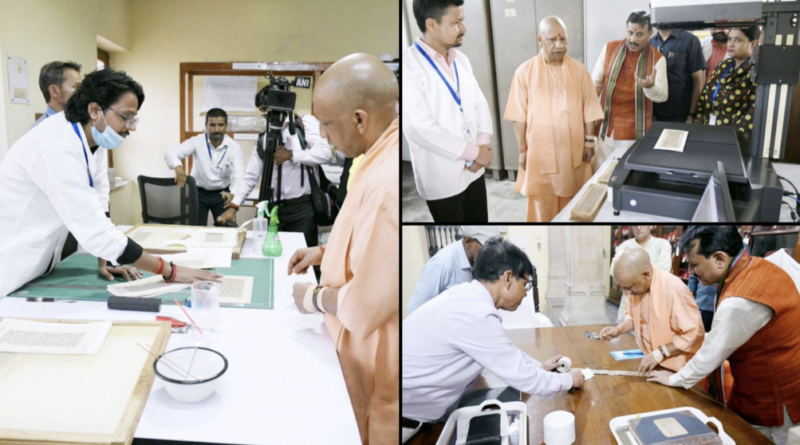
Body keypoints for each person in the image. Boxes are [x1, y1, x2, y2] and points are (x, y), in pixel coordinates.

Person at [0, 68, 221, 297]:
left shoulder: (91, 138)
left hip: (38, 264)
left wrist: (105, 259)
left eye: (134, 118)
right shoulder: (56, 146)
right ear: (94, 110)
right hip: (10, 266)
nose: (132, 127)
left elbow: (100, 200)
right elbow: (92, 229)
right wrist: (169, 270)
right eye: (127, 117)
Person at [285, 53, 399, 444]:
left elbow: (366, 306)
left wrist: (313, 296)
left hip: (373, 350)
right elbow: (365, 237)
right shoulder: (372, 155)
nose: (326, 137)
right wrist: (325, 252)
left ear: (360, 119)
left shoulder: (386, 182)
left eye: (328, 126)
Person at [402, 238, 585, 444]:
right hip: (403, 420)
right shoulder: (476, 313)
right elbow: (525, 378)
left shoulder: (467, 297)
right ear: (508, 278)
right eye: (525, 284)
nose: (526, 293)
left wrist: (540, 367)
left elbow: (506, 352)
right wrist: (570, 379)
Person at [648, 226, 800, 445]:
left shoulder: (739, 300)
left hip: (775, 394)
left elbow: (711, 353)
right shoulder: (757, 266)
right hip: (763, 381)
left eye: (695, 264)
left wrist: (674, 379)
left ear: (719, 258)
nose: (691, 271)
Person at [504, 16, 604, 222]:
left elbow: (590, 110)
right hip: (540, 152)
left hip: (573, 151)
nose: (560, 45)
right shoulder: (524, 72)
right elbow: (518, 116)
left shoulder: (580, 71)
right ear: (540, 39)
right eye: (552, 40)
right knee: (543, 200)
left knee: (574, 199)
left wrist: (589, 142)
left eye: (564, 40)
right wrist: (522, 149)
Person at [403, 0, 494, 223]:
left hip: (475, 170)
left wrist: (482, 144)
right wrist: (474, 152)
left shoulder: (461, 60)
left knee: (479, 228)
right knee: (456, 237)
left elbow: (479, 103)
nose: (464, 28)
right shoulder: (409, 66)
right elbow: (418, 128)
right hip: (442, 176)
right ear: (432, 25)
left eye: (462, 21)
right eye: (456, 22)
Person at [217, 86, 332, 252]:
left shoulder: (304, 124)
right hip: (272, 210)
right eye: (261, 110)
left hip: (302, 209)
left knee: (304, 257)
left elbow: (325, 153)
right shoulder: (264, 138)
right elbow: (251, 176)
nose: (265, 114)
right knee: (269, 254)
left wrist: (292, 154)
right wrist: (234, 206)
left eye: (265, 108)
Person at [30, 60, 117, 276]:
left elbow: (99, 190)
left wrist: (103, 258)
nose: (83, 94)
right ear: (54, 91)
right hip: (40, 240)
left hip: (69, 232)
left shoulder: (84, 132)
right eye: (77, 88)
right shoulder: (43, 137)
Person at [601, 248, 705, 375]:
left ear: (646, 274)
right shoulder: (636, 286)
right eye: (623, 288)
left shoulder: (673, 289)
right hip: (652, 362)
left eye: (629, 287)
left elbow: (694, 334)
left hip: (677, 370)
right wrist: (618, 329)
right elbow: (634, 319)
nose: (627, 293)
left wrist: (660, 354)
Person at [592, 10, 667, 167]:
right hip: (605, 128)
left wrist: (650, 86)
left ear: (650, 34)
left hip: (633, 132)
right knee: (598, 173)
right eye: (630, 33)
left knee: (623, 175)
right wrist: (589, 121)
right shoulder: (609, 48)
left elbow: (662, 96)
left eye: (639, 34)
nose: (633, 39)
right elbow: (595, 85)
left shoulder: (658, 59)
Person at [164, 108, 244, 226]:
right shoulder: (197, 141)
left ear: (226, 126)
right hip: (198, 194)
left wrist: (234, 193)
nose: (216, 129)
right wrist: (178, 166)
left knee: (227, 230)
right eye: (212, 125)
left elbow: (239, 175)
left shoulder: (234, 147)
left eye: (220, 125)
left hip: (223, 195)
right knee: (196, 230)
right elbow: (170, 153)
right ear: (206, 125)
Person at [407, 225, 500, 314]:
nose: (491, 256)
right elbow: (415, 309)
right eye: (487, 250)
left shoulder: (478, 260)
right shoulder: (442, 265)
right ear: (468, 242)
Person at [694, 26, 759, 145]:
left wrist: (728, 139)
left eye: (738, 40)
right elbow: (705, 94)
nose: (731, 44)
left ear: (753, 43)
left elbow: (750, 115)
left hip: (732, 139)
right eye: (730, 39)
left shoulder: (755, 73)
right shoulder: (723, 66)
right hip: (709, 128)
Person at [610, 226, 673, 321]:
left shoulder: (662, 244)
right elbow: (614, 269)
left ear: (651, 226)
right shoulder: (624, 246)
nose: (638, 228)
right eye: (635, 225)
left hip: (653, 300)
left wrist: (630, 272)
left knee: (649, 332)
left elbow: (665, 268)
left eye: (642, 224)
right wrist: (645, 271)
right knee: (625, 331)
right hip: (628, 299)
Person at [650, 27, 706, 123]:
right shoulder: (651, 42)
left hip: (680, 114)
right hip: (654, 113)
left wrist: (691, 115)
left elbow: (698, 81)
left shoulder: (690, 40)